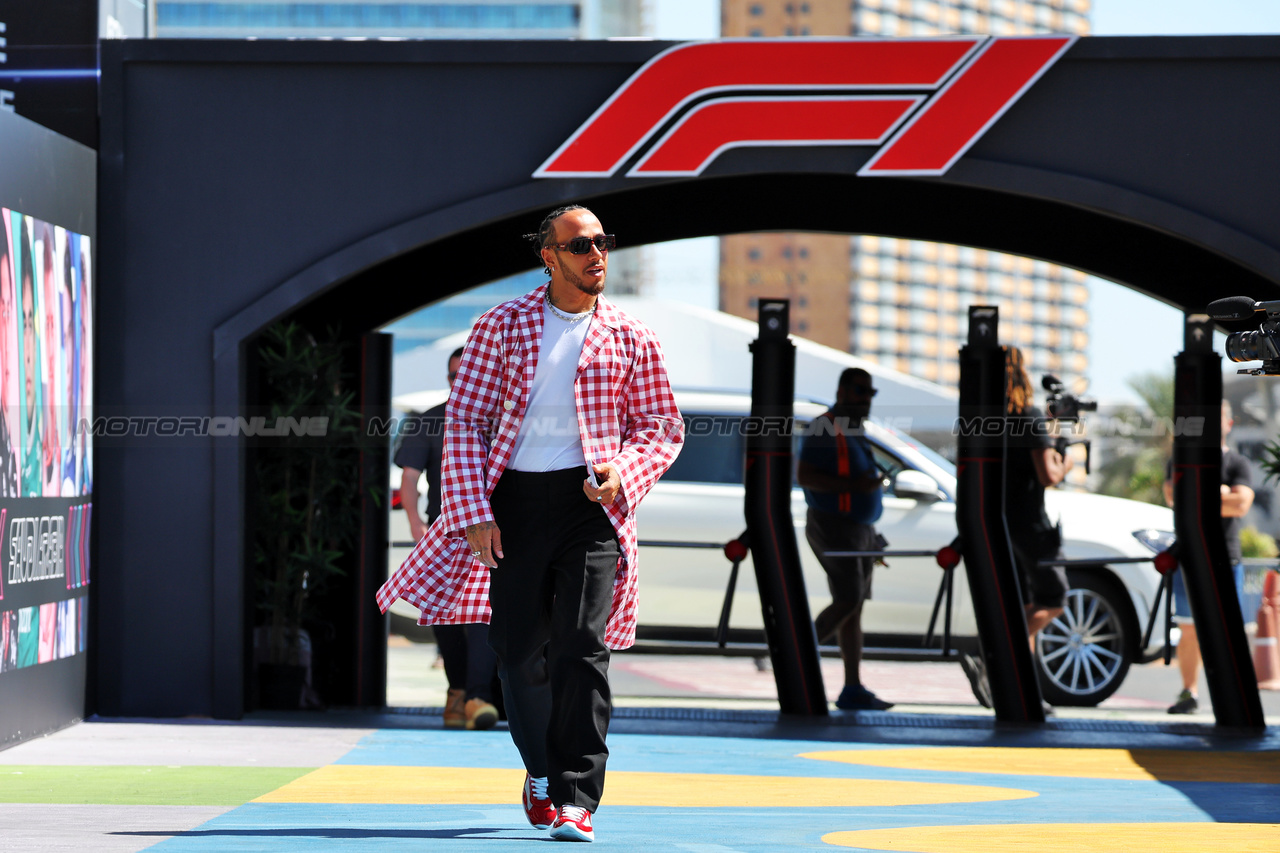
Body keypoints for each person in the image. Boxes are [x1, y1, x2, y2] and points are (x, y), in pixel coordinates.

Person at [377, 205, 683, 843]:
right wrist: (472, 514)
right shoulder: (502, 325)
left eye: (603, 242)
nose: (595, 254)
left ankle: (577, 797)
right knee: (517, 658)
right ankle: (540, 771)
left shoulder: (631, 334)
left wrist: (623, 474)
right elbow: (462, 424)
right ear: (549, 256)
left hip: (592, 506)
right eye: (580, 245)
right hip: (512, 504)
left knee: (581, 648)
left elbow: (661, 426)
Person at [960, 347, 1073, 712]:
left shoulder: (988, 416)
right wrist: (1066, 449)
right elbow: (1049, 474)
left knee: (1025, 606)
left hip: (999, 523)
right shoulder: (1029, 416)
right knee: (1054, 600)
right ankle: (991, 656)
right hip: (1031, 525)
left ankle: (1024, 690)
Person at [395, 346, 500, 730]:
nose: (461, 384)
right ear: (448, 379)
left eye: (467, 375)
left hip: (491, 533)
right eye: (455, 377)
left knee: (482, 616)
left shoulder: (501, 418)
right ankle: (459, 695)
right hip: (442, 533)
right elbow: (409, 479)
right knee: (445, 617)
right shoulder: (430, 420)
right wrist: (414, 525)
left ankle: (476, 697)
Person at [798, 368, 893, 711]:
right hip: (834, 525)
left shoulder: (854, 429)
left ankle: (852, 687)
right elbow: (805, 475)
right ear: (841, 390)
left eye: (870, 392)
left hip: (859, 529)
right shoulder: (826, 426)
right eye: (859, 390)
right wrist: (857, 488)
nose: (866, 398)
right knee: (849, 599)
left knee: (853, 608)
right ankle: (794, 655)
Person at [1162, 399, 1253, 714]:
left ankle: (1234, 697)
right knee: (1188, 628)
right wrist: (1222, 493)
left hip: (1226, 557)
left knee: (1229, 629)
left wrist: (1200, 494)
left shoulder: (1238, 463)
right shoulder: (1180, 458)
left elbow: (1241, 505)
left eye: (1219, 419)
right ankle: (1190, 692)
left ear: (1229, 423)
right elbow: (1174, 496)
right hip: (1188, 554)